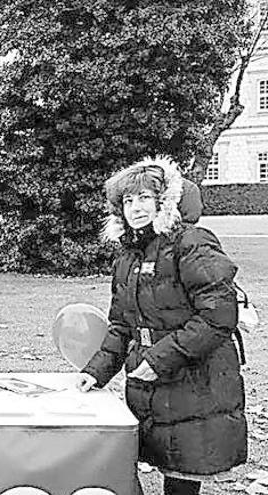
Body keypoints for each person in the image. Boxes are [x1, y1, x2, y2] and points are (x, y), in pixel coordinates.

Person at [76, 156, 246, 495]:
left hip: (196, 380)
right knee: (157, 456)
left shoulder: (192, 242)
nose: (135, 207)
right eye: (127, 200)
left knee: (183, 467)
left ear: (163, 201)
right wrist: (96, 371)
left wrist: (159, 359)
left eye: (144, 198)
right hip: (151, 380)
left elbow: (218, 315)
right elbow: (121, 324)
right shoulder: (127, 256)